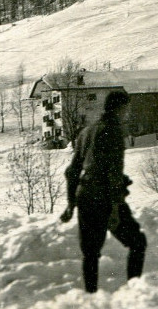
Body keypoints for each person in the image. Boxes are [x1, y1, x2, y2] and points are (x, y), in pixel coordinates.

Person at [59, 91, 147, 293]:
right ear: (120, 108)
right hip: (104, 198)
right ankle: (134, 294)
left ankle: (91, 299)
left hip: (84, 195)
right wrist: (115, 209)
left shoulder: (86, 131)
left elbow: (72, 171)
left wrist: (71, 204)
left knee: (90, 253)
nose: (127, 113)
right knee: (138, 243)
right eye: (127, 109)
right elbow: (113, 174)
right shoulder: (113, 131)